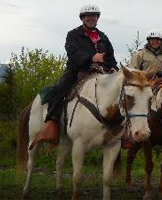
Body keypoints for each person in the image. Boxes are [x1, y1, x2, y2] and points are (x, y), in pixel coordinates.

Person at [29, 4, 118, 149]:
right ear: (82, 18)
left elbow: (111, 58)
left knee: (120, 91)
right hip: (77, 69)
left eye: (94, 16)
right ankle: (51, 121)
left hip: (101, 71)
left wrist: (114, 69)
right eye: (88, 16)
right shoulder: (73, 34)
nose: (91, 18)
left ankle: (122, 128)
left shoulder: (103, 37)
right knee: (59, 88)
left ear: (97, 18)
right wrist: (91, 58)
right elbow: (72, 53)